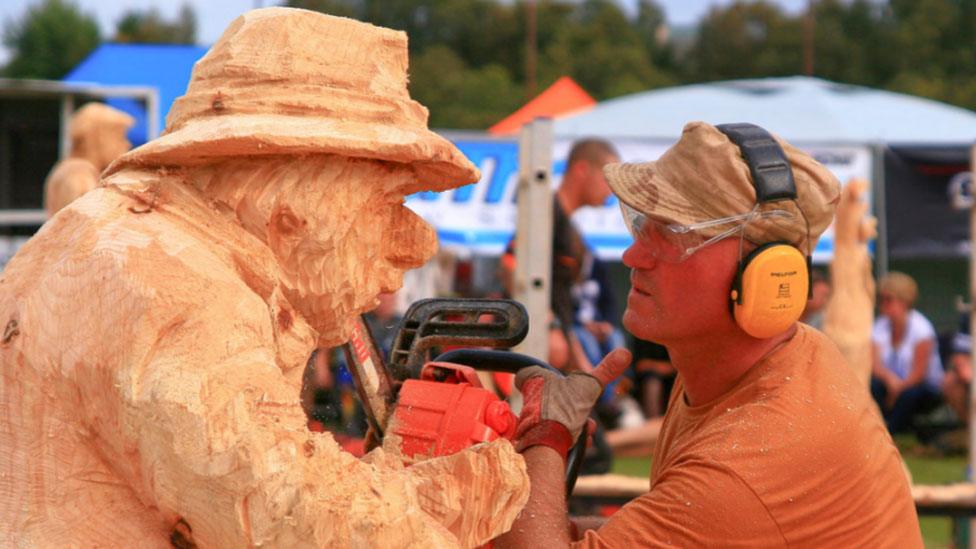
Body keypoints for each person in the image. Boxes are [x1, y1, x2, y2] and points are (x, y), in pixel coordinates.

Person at [0, 9, 527, 547]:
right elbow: (300, 528)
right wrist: (481, 480)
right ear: (297, 212)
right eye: (390, 204)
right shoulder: (180, 287)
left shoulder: (109, 234)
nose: (418, 243)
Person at [497, 121, 921, 547]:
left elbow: (723, 504)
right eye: (642, 223)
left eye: (673, 233)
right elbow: (682, 528)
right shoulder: (768, 360)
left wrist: (545, 436)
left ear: (768, 274)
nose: (634, 255)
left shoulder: (750, 461)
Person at [870, 272, 945, 434]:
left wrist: (897, 388)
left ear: (904, 301)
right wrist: (890, 381)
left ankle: (889, 433)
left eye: (888, 299)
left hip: (921, 386)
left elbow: (919, 374)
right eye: (881, 299)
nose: (882, 304)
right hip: (891, 384)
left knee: (909, 395)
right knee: (873, 386)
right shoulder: (880, 326)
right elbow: (874, 365)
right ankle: (875, 430)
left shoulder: (922, 329)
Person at [43, 102, 134, 216]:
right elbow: (90, 222)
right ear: (100, 138)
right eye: (120, 137)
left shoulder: (73, 168)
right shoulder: (79, 173)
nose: (127, 144)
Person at [943, 312, 972, 425]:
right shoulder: (969, 317)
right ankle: (971, 430)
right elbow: (960, 359)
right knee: (950, 382)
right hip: (971, 377)